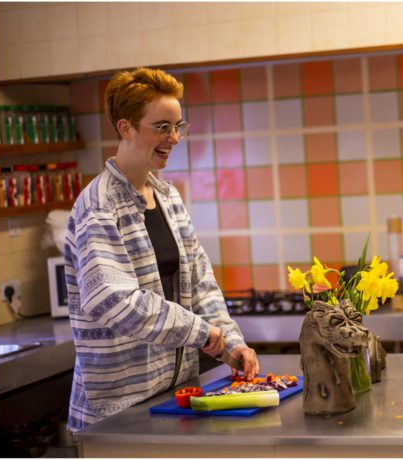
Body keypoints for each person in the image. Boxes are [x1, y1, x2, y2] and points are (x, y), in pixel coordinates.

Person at [64, 67, 260, 431]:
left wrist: (230, 342)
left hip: (174, 398)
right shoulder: (98, 206)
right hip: (119, 410)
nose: (173, 138)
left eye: (178, 126)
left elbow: (200, 280)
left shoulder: (167, 196)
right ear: (125, 128)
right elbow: (114, 299)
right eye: (162, 127)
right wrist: (200, 332)